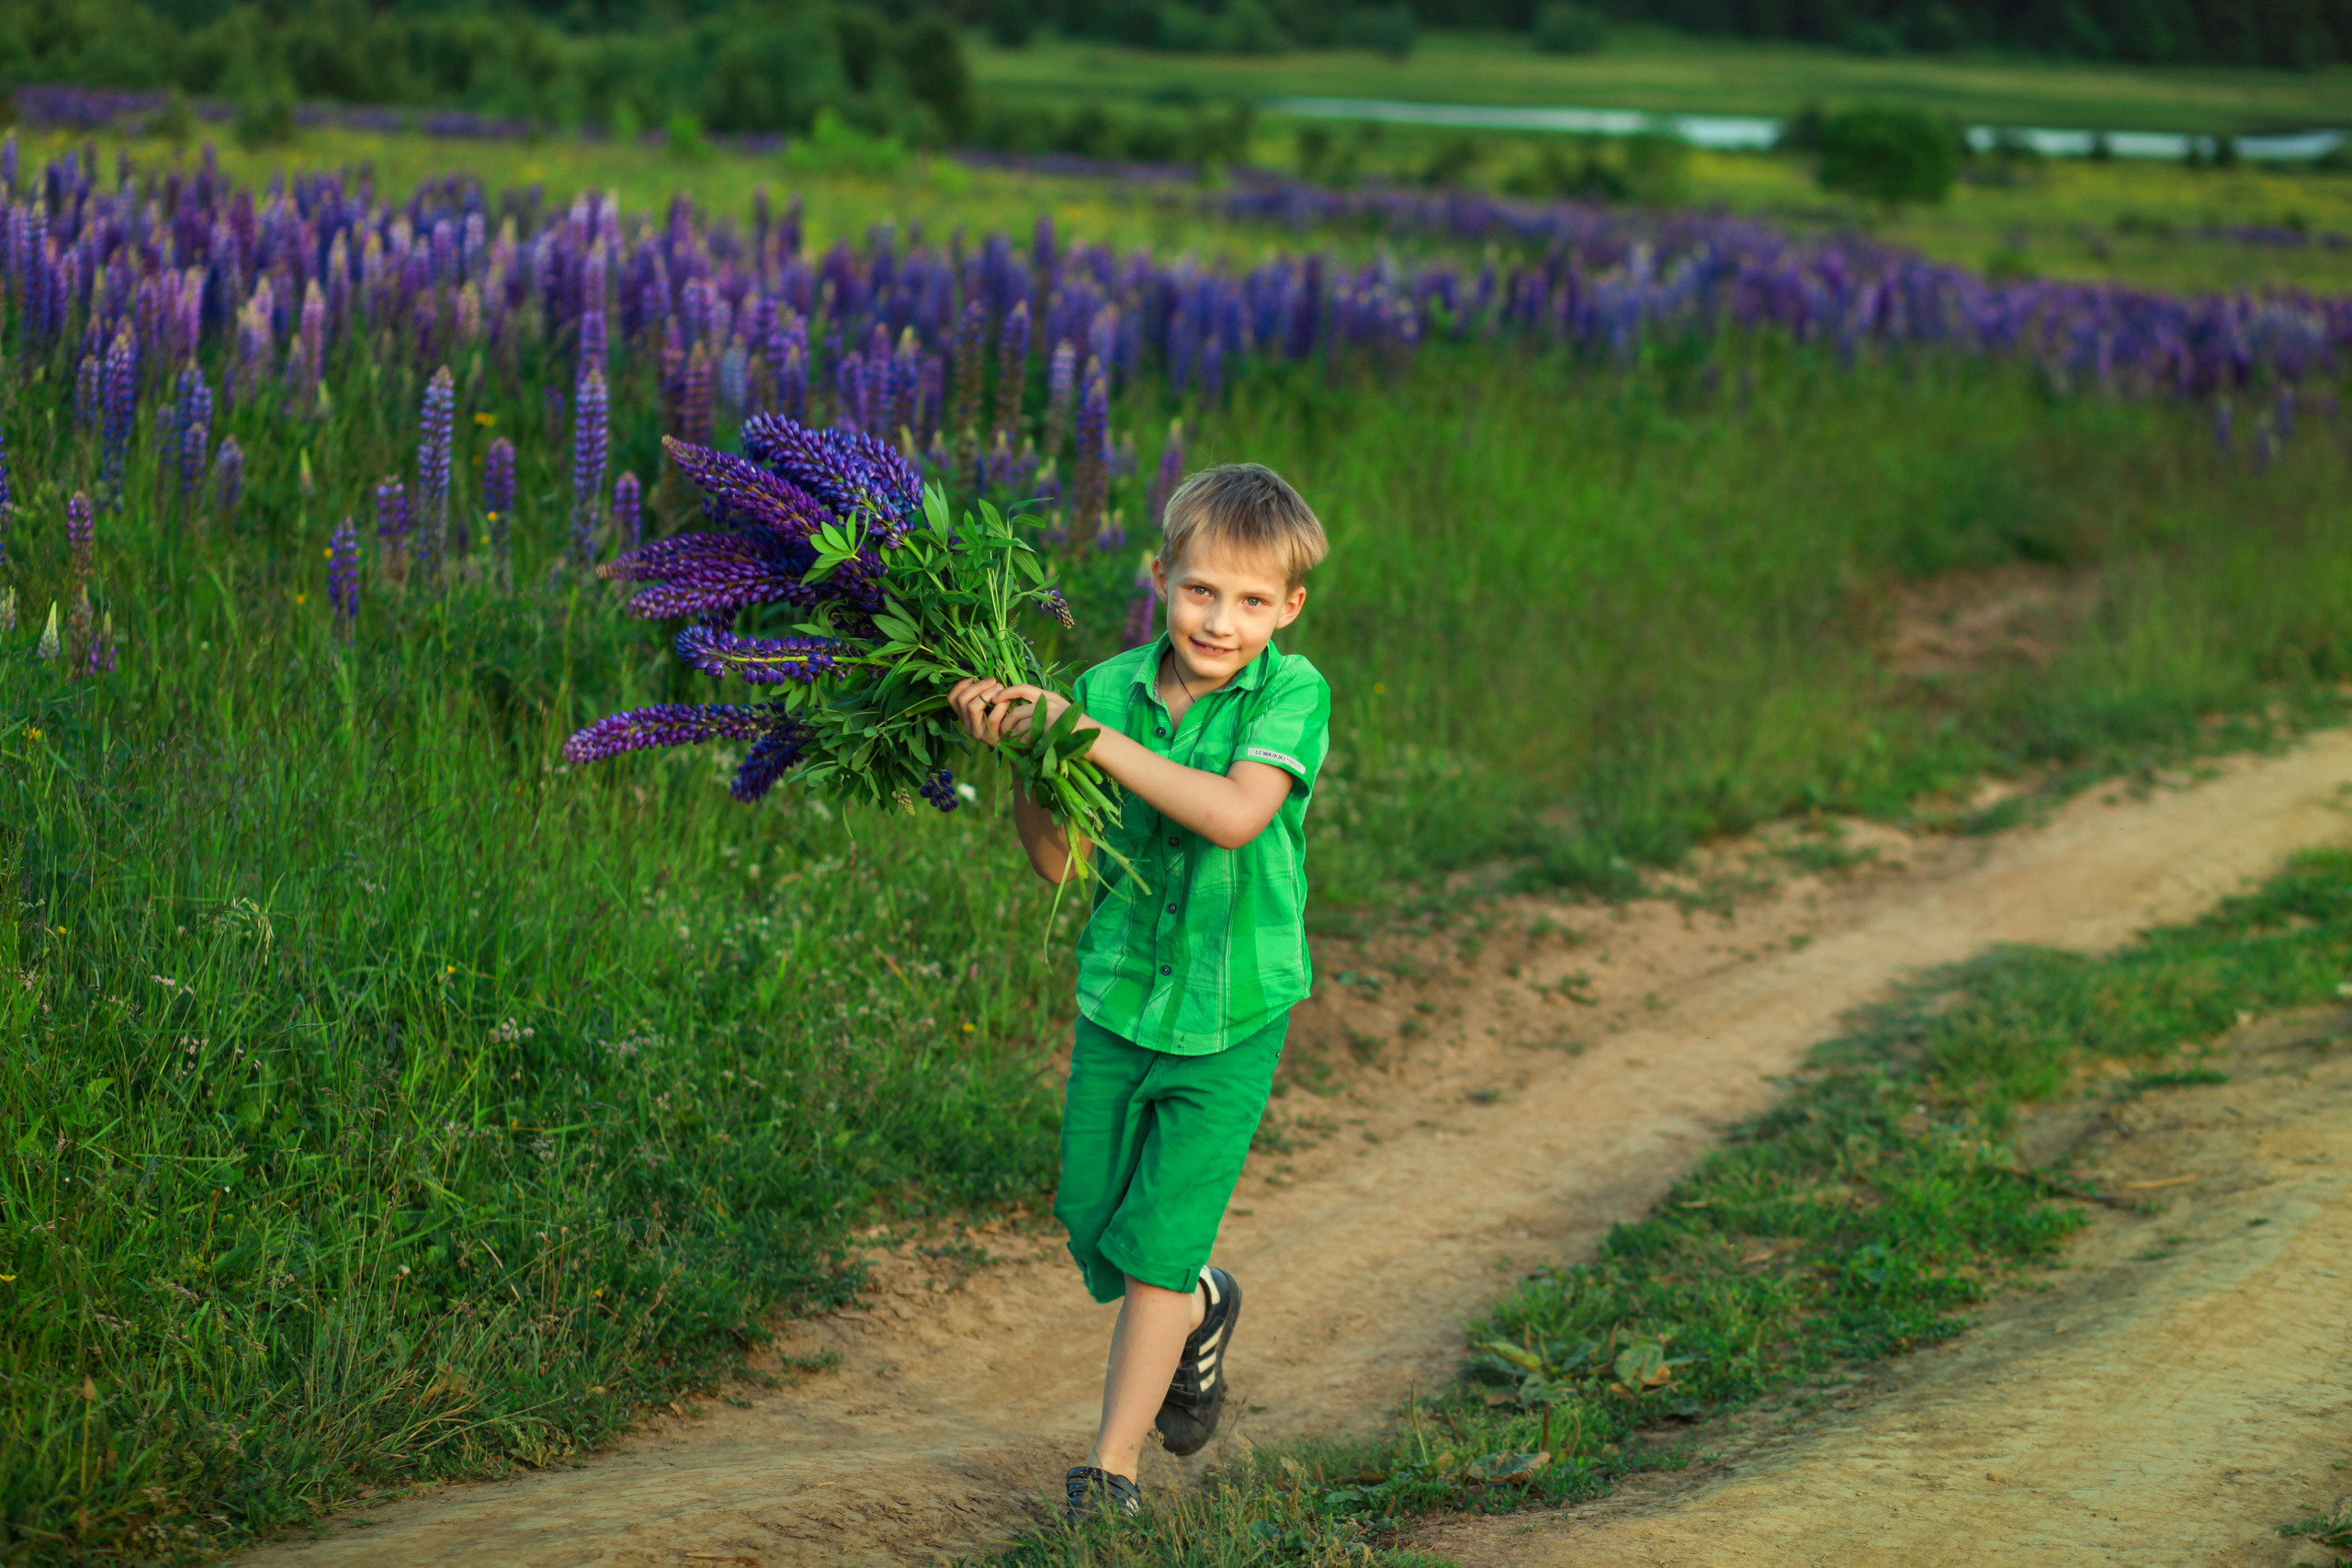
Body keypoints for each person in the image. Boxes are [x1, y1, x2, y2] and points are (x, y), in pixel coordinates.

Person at [948, 462, 1332, 1525]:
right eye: (1201, 590)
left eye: (1253, 601)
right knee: (1094, 1223)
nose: (1222, 619)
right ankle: (1205, 1304)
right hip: (1122, 997)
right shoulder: (1108, 689)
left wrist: (1078, 734)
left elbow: (1232, 815)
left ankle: (1108, 1474)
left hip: (1234, 1007)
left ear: (1288, 608)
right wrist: (1033, 759)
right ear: (1160, 576)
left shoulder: (1290, 693)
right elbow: (1057, 864)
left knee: (1155, 1246)